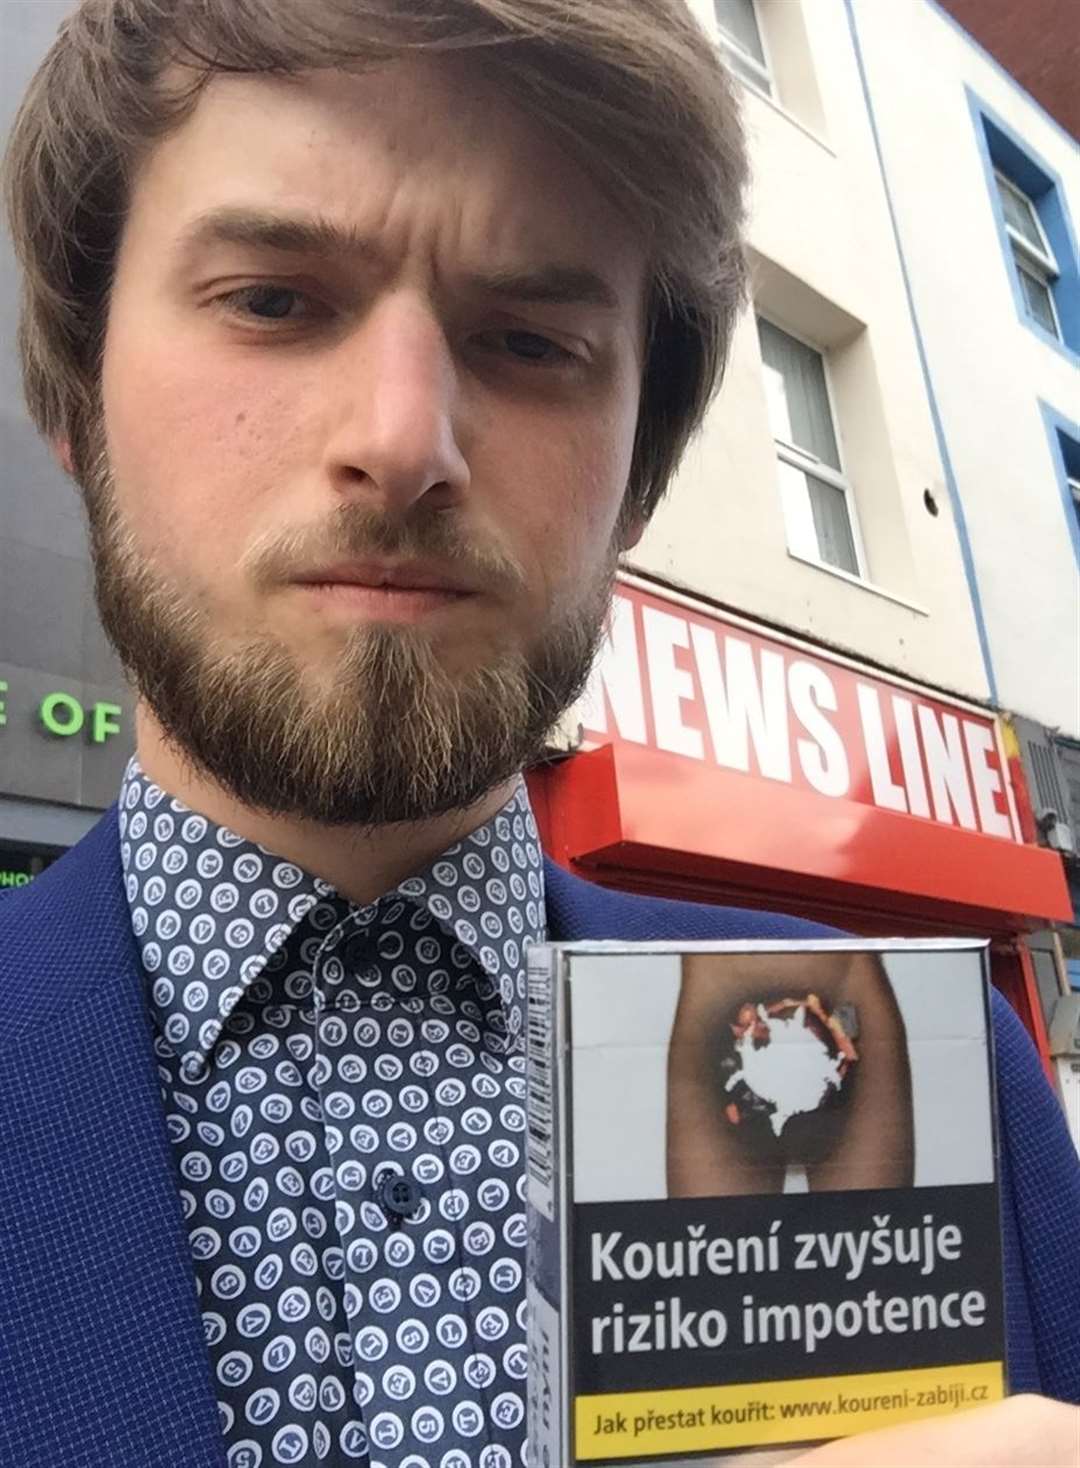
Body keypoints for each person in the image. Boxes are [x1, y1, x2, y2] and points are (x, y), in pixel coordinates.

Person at [1, 3, 1077, 1466]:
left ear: (637, 480)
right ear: (77, 395)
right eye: (272, 299)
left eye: (528, 338)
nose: (405, 437)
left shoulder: (962, 1118)